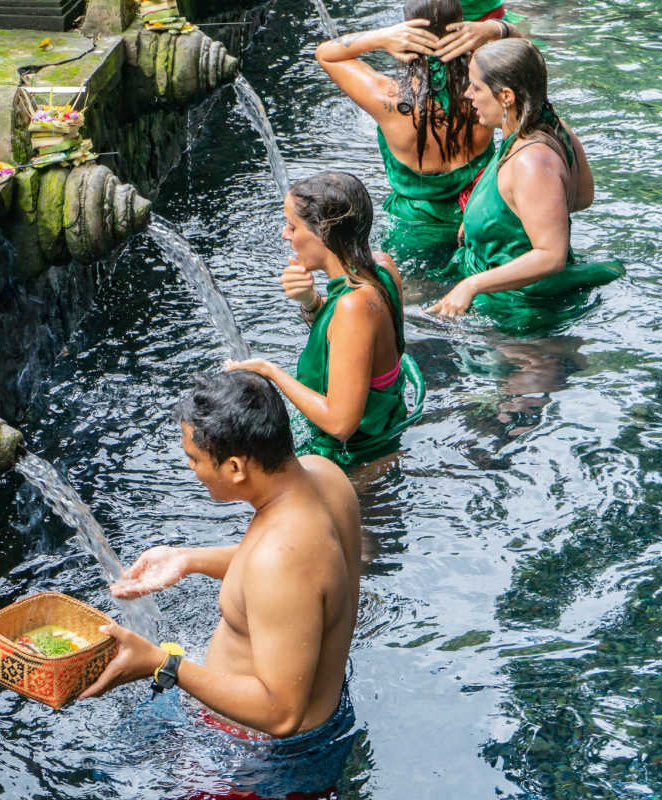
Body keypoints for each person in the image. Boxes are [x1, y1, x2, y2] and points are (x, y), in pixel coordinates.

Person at [80, 370, 361, 798]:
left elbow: (281, 713)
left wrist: (162, 664)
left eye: (194, 459)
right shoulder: (324, 479)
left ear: (235, 466)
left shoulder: (281, 560)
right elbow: (308, 572)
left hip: (265, 763)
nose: (192, 471)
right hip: (312, 728)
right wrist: (189, 559)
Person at [427, 39, 623, 328]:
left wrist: (472, 286)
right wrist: (489, 221)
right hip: (506, 291)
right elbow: (582, 197)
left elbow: (551, 255)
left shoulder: (531, 162)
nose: (468, 95)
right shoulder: (552, 127)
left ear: (506, 96)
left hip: (521, 312)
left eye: (476, 87)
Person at [229, 171, 421, 467]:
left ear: (322, 231)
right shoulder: (382, 266)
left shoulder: (353, 306)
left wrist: (270, 373)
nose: (284, 235)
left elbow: (341, 424)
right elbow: (353, 341)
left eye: (293, 227)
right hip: (388, 429)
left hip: (356, 460)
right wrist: (310, 301)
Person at [314, 0, 511, 252]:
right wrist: (494, 29)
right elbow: (526, 52)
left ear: (404, 34)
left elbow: (325, 53)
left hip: (412, 230)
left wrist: (382, 37)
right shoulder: (486, 92)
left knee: (412, 291)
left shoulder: (388, 99)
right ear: (464, 28)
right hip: (480, 216)